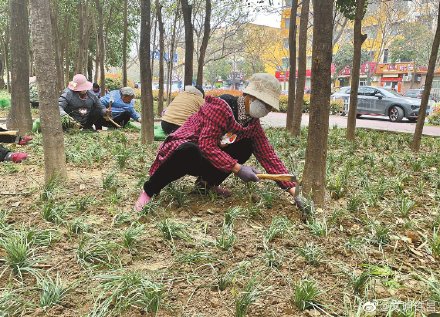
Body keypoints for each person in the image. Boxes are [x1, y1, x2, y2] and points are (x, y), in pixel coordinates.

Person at [134, 73, 304, 213]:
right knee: (187, 150)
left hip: (214, 156)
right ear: (250, 96)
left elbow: (268, 156)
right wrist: (238, 169)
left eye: (269, 107)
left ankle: (206, 184)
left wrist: (293, 190)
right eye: (264, 104)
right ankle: (149, 191)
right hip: (192, 149)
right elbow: (206, 145)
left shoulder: (252, 124)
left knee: (245, 146)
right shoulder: (221, 106)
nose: (266, 110)